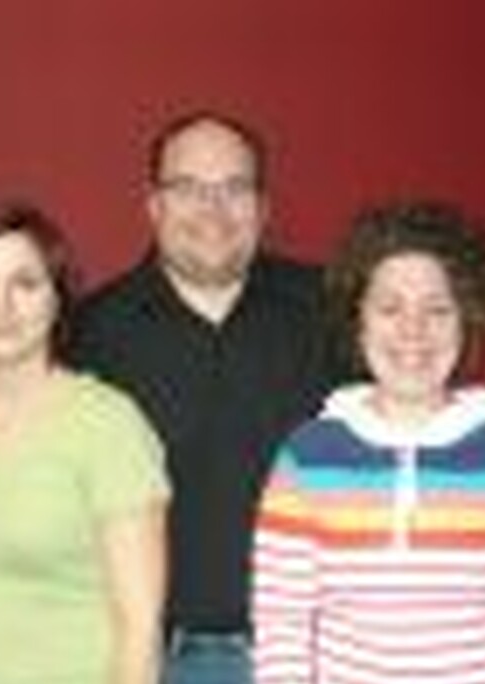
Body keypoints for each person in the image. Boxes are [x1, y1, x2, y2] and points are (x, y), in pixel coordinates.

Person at [252, 201, 485, 683]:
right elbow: (281, 625)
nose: (413, 330)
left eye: (437, 309)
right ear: (359, 319)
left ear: (466, 320)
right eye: (390, 308)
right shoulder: (306, 457)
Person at [70, 111, 339, 683]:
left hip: (318, 656)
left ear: (263, 207)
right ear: (154, 206)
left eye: (234, 188)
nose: (213, 210)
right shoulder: (90, 336)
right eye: (188, 188)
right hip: (155, 662)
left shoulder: (334, 313)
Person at [0, 200, 169, 684]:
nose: (2, 306)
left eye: (25, 283)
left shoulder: (108, 424)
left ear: (57, 297)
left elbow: (140, 628)